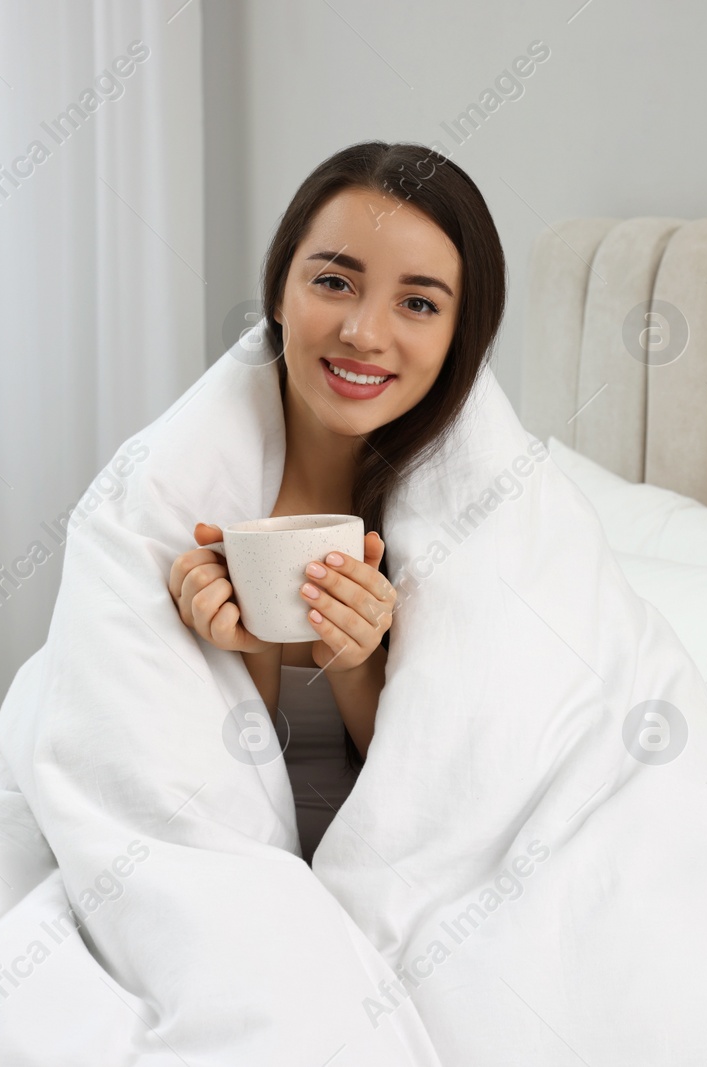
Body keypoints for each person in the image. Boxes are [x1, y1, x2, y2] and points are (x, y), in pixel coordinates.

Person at [165, 141, 506, 863]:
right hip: (216, 851)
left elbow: (460, 791)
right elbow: (160, 754)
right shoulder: (184, 483)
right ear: (280, 292)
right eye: (334, 282)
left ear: (458, 336)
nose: (364, 333)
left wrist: (354, 662)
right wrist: (233, 650)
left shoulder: (484, 514)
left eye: (418, 303)